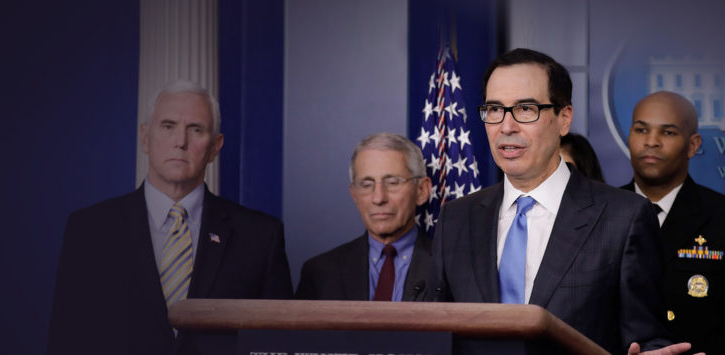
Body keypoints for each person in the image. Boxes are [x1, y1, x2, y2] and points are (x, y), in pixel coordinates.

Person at [430, 48, 693, 354]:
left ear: (564, 119)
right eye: (494, 109)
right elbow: (436, 334)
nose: (506, 126)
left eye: (526, 109)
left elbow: (646, 338)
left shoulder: (624, 217)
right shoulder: (456, 219)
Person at [48, 80, 293, 355]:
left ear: (215, 146)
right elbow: (66, 341)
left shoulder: (260, 237)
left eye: (196, 129)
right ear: (144, 137)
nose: (180, 142)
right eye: (168, 126)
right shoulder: (90, 230)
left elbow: (278, 346)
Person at [621, 91, 725, 355]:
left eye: (668, 133)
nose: (652, 142)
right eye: (641, 130)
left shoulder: (720, 215)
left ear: (693, 145)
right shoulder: (597, 213)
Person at [296, 133, 432, 301]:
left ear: (421, 191)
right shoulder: (320, 273)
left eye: (392, 182)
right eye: (367, 185)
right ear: (354, 195)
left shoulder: (449, 268)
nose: (378, 198)